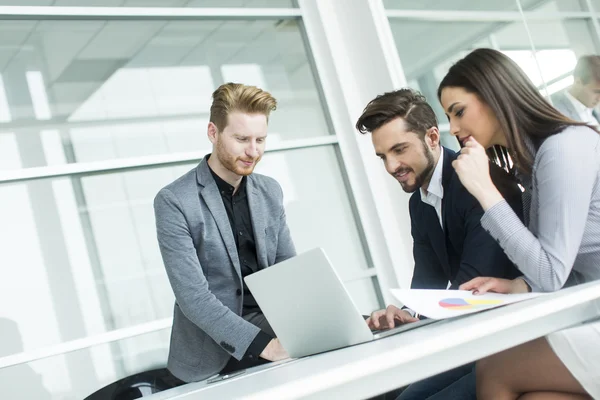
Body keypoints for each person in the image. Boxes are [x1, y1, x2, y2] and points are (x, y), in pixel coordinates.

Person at [437, 48, 600, 400]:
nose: (453, 128)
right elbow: (571, 263)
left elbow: (552, 274)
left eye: (458, 112)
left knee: (495, 367)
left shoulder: (563, 149)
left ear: (495, 97)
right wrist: (517, 285)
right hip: (591, 313)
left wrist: (484, 190)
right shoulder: (534, 162)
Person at [355, 89, 522, 400]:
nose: (392, 166)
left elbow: (473, 285)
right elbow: (427, 280)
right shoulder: (419, 202)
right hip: (471, 337)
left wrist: (419, 317)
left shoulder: (477, 181)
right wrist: (404, 312)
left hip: (510, 335)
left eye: (399, 150)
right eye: (383, 157)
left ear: (432, 137)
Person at [154, 83, 296, 384]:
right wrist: (265, 346)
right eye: (242, 139)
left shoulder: (270, 191)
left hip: (276, 335)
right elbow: (194, 298)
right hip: (210, 359)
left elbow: (289, 271)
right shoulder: (174, 200)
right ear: (213, 133)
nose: (253, 151)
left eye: (260, 139)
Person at [551, 55, 600, 125]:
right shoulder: (556, 112)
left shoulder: (592, 111)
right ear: (578, 82)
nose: (599, 98)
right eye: (597, 92)